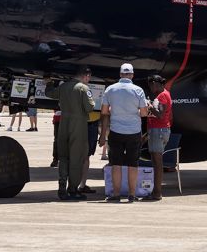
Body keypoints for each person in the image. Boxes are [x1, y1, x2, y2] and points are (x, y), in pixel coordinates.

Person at [98, 63, 147, 203]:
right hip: (134, 131)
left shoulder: (110, 89)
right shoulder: (138, 90)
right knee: (133, 164)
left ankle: (116, 194)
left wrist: (102, 135)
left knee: (116, 164)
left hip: (116, 131)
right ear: (132, 75)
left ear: (120, 74)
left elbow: (104, 112)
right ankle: (132, 195)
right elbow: (144, 113)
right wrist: (135, 111)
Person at [47, 68, 95, 200]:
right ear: (86, 76)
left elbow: (50, 94)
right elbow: (90, 107)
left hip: (63, 124)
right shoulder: (83, 89)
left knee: (63, 157)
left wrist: (48, 83)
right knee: (76, 158)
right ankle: (73, 189)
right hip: (78, 126)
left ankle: (62, 187)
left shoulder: (63, 87)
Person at [145, 74, 172, 201]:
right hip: (159, 130)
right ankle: (156, 191)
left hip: (158, 130)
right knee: (156, 162)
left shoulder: (162, 96)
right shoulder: (164, 94)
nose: (150, 88)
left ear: (155, 83)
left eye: (150, 85)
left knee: (157, 163)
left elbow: (161, 115)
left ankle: (157, 192)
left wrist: (149, 106)